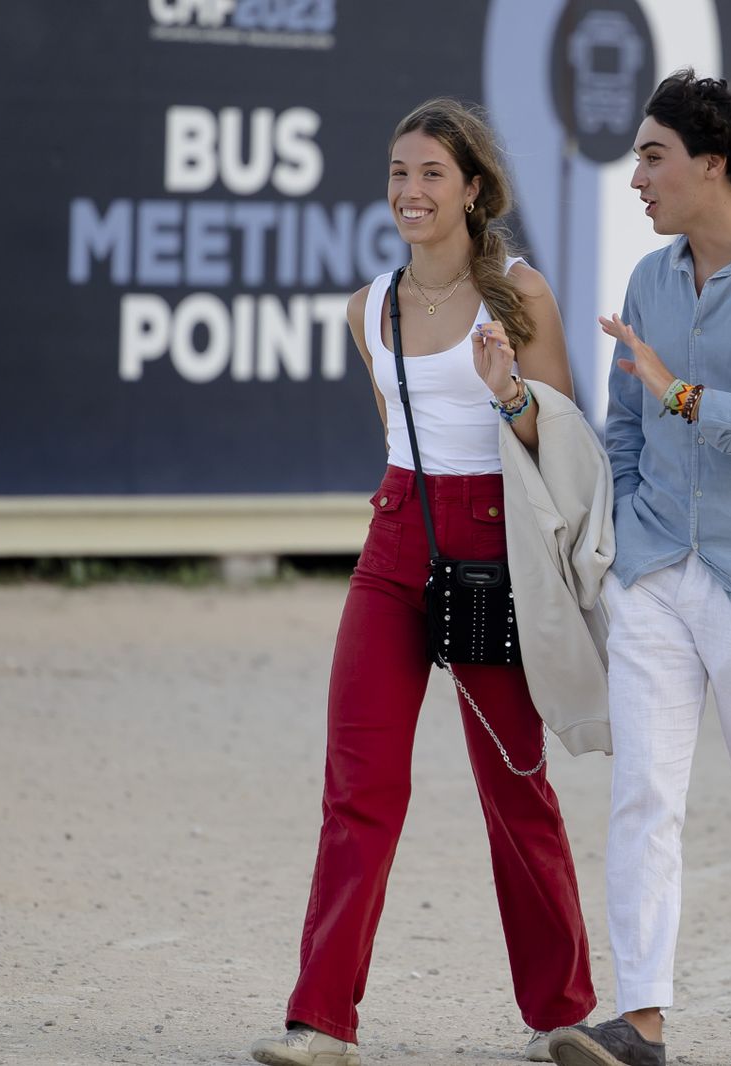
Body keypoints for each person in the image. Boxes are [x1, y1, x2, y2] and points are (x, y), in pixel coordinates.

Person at [250, 98, 597, 1066]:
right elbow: (398, 434)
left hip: (494, 547)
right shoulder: (369, 306)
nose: (410, 191)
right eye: (399, 172)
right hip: (398, 539)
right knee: (358, 785)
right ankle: (321, 1022)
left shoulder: (518, 294)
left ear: (473, 189)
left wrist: (509, 394)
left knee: (515, 783)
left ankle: (563, 1013)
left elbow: (563, 442)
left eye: (432, 174)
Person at [548, 71, 731, 1066]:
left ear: (712, 162)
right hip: (654, 576)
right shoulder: (649, 279)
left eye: (652, 156)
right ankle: (639, 1020)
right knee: (643, 796)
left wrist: (685, 396)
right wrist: (632, 544)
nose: (636, 177)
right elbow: (625, 423)